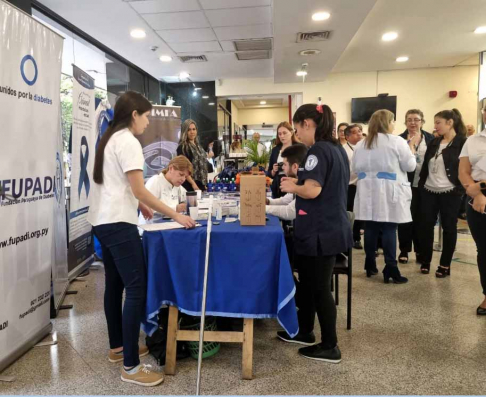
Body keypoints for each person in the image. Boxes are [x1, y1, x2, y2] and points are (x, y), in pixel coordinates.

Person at [88, 91, 195, 387]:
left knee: (115, 286)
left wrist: (142, 205)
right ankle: (131, 367)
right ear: (134, 114)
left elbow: (117, 185)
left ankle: (118, 348)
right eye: (146, 116)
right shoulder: (128, 141)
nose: (148, 122)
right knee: (137, 288)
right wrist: (175, 215)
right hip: (118, 225)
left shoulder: (108, 138)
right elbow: (139, 189)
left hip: (101, 221)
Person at [276, 103, 352, 364]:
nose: (297, 134)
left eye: (297, 129)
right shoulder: (337, 148)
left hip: (322, 230)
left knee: (319, 288)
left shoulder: (317, 151)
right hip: (325, 228)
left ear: (308, 124)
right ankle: (304, 330)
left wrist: (292, 185)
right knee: (308, 284)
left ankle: (330, 345)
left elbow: (313, 190)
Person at [353, 109, 418, 283]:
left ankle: (370, 264)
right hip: (390, 191)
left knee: (371, 227)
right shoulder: (397, 142)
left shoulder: (361, 144)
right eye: (393, 121)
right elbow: (410, 167)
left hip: (367, 191)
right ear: (387, 123)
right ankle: (391, 267)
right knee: (389, 228)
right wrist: (412, 149)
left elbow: (354, 169)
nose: (394, 125)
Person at [417, 109, 467, 276]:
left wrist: (460, 189)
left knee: (449, 228)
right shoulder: (434, 142)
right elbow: (425, 166)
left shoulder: (462, 143)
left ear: (450, 123)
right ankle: (425, 261)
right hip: (429, 190)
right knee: (425, 226)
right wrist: (422, 185)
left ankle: (445, 265)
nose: (435, 126)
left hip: (450, 192)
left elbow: (467, 168)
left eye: (438, 122)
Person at [397, 110, 434, 264]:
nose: (413, 123)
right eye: (409, 120)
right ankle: (404, 250)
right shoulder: (398, 139)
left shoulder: (431, 139)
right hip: (405, 184)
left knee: (421, 220)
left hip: (424, 185)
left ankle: (420, 250)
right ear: (405, 122)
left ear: (422, 121)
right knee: (405, 219)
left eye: (416, 119)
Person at [459, 106, 486, 315]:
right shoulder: (473, 140)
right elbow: (463, 171)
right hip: (477, 197)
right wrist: (477, 194)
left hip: (479, 188)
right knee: (484, 250)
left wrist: (481, 187)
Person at [138, 156, 192, 225]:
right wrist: (176, 208)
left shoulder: (178, 186)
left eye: (185, 177)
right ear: (171, 168)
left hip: (169, 225)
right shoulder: (155, 181)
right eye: (181, 175)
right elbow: (148, 209)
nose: (183, 179)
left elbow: (188, 199)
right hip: (151, 226)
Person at [265, 143, 308, 220]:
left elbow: (289, 212)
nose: (282, 168)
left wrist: (262, 208)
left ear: (295, 166)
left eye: (284, 164)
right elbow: (286, 200)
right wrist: (268, 201)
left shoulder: (308, 183)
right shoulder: (299, 180)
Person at [343, 124, 364, 249]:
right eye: (356, 132)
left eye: (360, 131)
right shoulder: (344, 150)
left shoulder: (365, 147)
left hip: (363, 185)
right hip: (349, 185)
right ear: (347, 136)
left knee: (360, 212)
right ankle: (347, 236)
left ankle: (357, 237)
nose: (359, 134)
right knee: (349, 211)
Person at [267, 122, 299, 198]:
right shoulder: (275, 150)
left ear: (291, 133)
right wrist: (273, 171)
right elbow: (269, 172)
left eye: (284, 133)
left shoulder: (299, 148)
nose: (282, 136)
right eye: (280, 134)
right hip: (277, 188)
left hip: (294, 185)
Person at [177, 119, 208, 191]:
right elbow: (184, 168)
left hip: (201, 184)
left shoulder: (199, 146)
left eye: (194, 129)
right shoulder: (183, 147)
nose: (192, 132)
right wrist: (193, 184)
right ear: (185, 131)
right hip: (190, 185)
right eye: (189, 130)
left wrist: (204, 185)